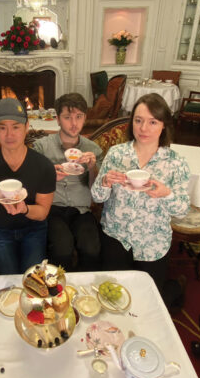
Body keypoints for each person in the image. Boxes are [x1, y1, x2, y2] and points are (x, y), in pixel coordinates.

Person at [91, 93, 190, 307]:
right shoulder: (117, 154)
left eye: (152, 122)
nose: (143, 128)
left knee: (148, 302)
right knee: (112, 297)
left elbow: (182, 209)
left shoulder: (176, 163)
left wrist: (166, 194)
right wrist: (105, 182)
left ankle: (176, 287)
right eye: (138, 120)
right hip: (116, 237)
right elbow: (97, 196)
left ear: (164, 125)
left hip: (153, 243)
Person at [0, 98, 56, 274]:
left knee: (32, 278)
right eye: (2, 127)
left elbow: (42, 214)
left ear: (26, 127)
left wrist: (24, 209)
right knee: (7, 278)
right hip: (1, 230)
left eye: (16, 127)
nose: (9, 134)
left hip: (34, 229)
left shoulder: (43, 166)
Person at [33, 93, 103, 270]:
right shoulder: (42, 147)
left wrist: (93, 167)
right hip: (53, 208)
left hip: (81, 210)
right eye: (67, 117)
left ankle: (83, 290)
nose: (74, 124)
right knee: (62, 249)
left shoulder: (92, 149)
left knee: (91, 249)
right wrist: (50, 175)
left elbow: (97, 192)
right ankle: (60, 289)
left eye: (79, 117)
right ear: (58, 119)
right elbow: (33, 183)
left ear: (85, 118)